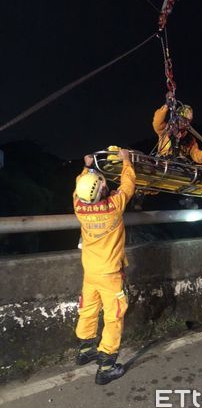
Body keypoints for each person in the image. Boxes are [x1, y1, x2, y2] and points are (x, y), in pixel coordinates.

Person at [73, 149, 136, 385]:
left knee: (88, 309)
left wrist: (87, 168)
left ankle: (85, 349)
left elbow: (80, 186)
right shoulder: (114, 206)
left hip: (90, 271)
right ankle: (107, 365)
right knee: (113, 316)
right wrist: (126, 161)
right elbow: (128, 184)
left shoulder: (79, 207)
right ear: (101, 188)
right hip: (110, 273)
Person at [152, 93, 202, 163]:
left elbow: (196, 156)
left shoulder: (190, 139)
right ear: (176, 118)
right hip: (162, 163)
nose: (184, 122)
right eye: (182, 119)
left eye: (187, 121)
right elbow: (157, 122)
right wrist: (166, 105)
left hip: (179, 166)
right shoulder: (166, 130)